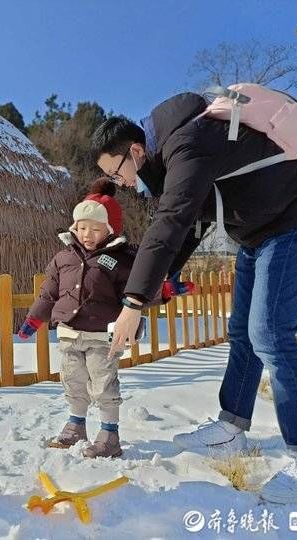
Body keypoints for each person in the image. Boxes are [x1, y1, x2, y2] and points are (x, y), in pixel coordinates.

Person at [91, 92, 297, 504]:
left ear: (134, 151)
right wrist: (159, 283)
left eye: (116, 172)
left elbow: (173, 218)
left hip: (294, 221)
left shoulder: (189, 143)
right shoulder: (169, 162)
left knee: (271, 335)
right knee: (242, 332)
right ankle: (232, 427)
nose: (121, 183)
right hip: (257, 234)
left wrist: (134, 303)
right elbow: (190, 225)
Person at [19, 179, 189, 458]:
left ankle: (109, 434)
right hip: (70, 333)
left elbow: (137, 289)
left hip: (102, 335)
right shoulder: (63, 257)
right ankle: (76, 427)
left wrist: (166, 290)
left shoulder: (122, 259)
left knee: (103, 384)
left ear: (109, 230)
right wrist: (33, 320)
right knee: (73, 381)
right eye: (82, 227)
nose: (87, 234)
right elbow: (48, 294)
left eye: (96, 229)